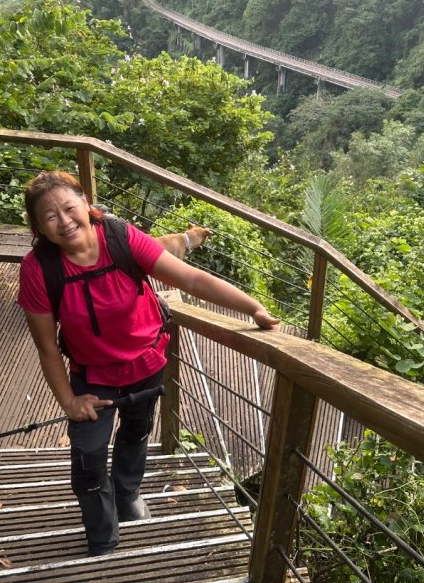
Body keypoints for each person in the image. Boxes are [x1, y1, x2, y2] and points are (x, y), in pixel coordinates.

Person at [18, 170, 280, 556]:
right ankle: (103, 537)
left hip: (146, 363)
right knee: (88, 459)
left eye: (69, 208)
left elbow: (191, 280)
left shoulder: (122, 238)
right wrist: (69, 402)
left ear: (86, 204)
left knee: (136, 432)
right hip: (93, 378)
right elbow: (46, 347)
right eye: (50, 216)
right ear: (39, 227)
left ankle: (127, 496)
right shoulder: (39, 269)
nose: (65, 220)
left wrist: (252, 307)